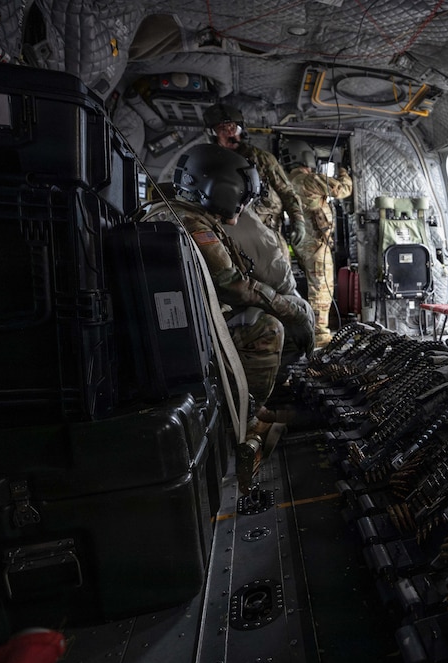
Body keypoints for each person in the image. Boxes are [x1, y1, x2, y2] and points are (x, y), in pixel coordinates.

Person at [138, 144, 315, 489]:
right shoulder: (190, 224)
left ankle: (249, 407)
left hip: (179, 329)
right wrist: (292, 309)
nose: (244, 206)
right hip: (183, 338)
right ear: (222, 192)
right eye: (241, 197)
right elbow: (235, 287)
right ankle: (247, 422)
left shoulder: (174, 213)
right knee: (268, 328)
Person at [203, 103, 308, 249]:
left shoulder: (262, 159)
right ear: (213, 134)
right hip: (230, 236)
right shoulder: (209, 165)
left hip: (267, 233)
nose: (229, 134)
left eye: (232, 128)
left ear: (240, 130)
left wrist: (298, 221)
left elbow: (287, 192)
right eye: (222, 129)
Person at [283, 138, 354, 349]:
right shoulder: (309, 180)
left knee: (314, 287)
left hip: (303, 243)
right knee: (321, 289)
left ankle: (315, 328)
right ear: (307, 158)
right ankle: (319, 334)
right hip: (316, 244)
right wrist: (344, 172)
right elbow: (343, 190)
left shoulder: (287, 180)